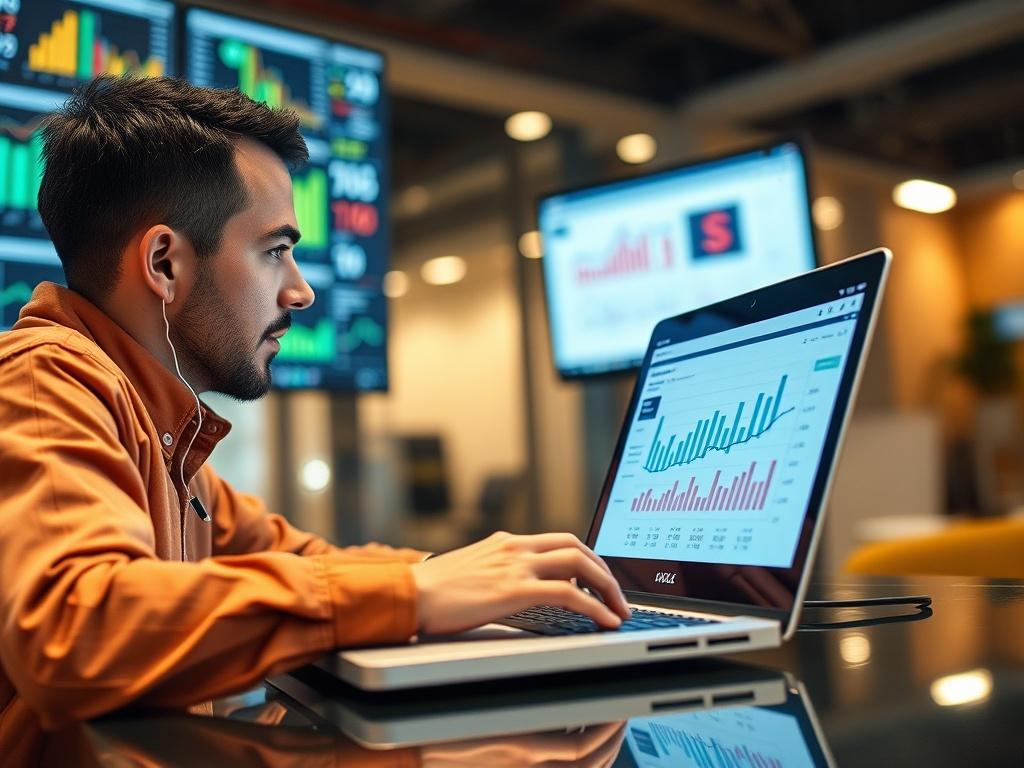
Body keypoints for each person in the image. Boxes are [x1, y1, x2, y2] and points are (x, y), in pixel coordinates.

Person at [0, 75, 630, 740]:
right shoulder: (44, 383)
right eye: (275, 251)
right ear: (164, 263)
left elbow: (299, 560)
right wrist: (416, 596)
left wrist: (482, 579)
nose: (300, 291)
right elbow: (75, 627)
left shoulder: (161, 436)